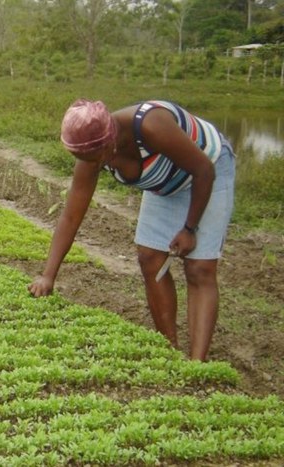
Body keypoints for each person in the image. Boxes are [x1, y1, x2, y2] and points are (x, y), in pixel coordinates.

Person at [29, 99, 236, 361]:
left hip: (207, 170)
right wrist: (48, 276)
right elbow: (71, 216)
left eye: (93, 158)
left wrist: (189, 228)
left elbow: (203, 169)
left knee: (199, 268)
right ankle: (169, 350)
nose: (88, 163)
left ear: (108, 144)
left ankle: (197, 363)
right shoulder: (90, 153)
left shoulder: (151, 127)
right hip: (164, 183)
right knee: (149, 257)